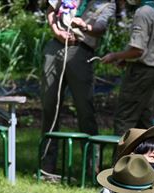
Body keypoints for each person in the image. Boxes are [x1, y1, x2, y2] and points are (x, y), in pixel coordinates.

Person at [40, 0, 116, 177]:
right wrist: (56, 31)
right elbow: (51, 10)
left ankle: (91, 168)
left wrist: (85, 27)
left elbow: (100, 28)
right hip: (55, 47)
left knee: (85, 110)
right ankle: (46, 166)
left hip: (81, 51)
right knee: (49, 106)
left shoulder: (107, 4)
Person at [101, 0, 154, 136]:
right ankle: (146, 156)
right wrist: (125, 58)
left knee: (125, 118)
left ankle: (122, 157)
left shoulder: (142, 12)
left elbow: (138, 50)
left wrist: (114, 55)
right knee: (143, 119)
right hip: (153, 71)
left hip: (139, 73)